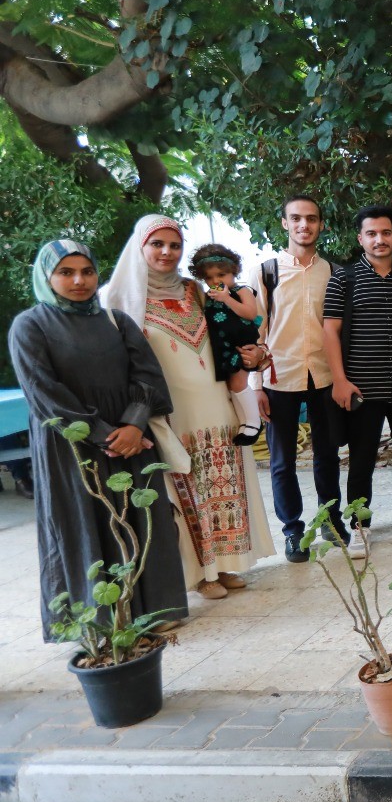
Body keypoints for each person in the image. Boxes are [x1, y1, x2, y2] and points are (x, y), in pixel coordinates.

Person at [10, 240, 189, 638]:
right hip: (70, 445)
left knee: (142, 519)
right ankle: (98, 622)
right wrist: (107, 435)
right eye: (66, 272)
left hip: (132, 439)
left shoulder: (116, 321)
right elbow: (44, 392)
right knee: (83, 521)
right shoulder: (30, 325)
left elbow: (148, 377)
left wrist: (134, 425)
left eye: (87, 271)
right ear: (46, 277)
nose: (79, 281)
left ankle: (156, 609)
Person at [103, 215, 272, 599]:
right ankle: (200, 575)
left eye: (175, 245)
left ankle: (226, 564)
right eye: (157, 244)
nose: (167, 252)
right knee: (187, 490)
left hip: (218, 404)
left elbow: (235, 328)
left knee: (224, 484)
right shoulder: (118, 297)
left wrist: (257, 353)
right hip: (171, 412)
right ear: (140, 247)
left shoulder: (197, 290)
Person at [325, 206, 392, 552]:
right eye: (371, 234)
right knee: (361, 460)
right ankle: (360, 526)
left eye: (385, 233)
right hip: (362, 385)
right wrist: (339, 380)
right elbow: (330, 330)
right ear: (361, 239)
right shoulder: (344, 279)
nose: (379, 239)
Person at [243, 195, 347, 562]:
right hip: (277, 377)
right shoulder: (266, 272)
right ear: (285, 223)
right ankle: (292, 531)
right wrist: (256, 387)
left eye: (312, 218)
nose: (305, 225)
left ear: (321, 224)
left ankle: (331, 520)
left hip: (323, 375)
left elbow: (339, 329)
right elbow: (254, 331)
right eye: (297, 218)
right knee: (282, 461)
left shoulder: (333, 272)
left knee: (327, 455)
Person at [188, 244, 264, 444]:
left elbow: (250, 313)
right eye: (209, 278)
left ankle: (254, 423)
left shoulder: (241, 290)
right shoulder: (208, 297)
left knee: (239, 384)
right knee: (232, 387)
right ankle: (244, 422)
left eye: (221, 275)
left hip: (241, 345)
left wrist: (227, 299)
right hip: (223, 347)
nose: (215, 281)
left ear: (233, 271)